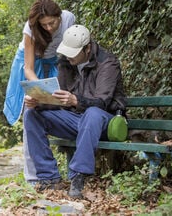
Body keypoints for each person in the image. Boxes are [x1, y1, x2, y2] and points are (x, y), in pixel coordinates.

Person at [23, 25, 126, 198]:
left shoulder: (108, 62)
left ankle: (78, 176)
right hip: (76, 119)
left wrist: (75, 100)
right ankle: (49, 178)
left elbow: (102, 103)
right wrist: (38, 102)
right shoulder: (66, 62)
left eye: (73, 52)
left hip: (105, 122)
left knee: (92, 113)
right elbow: (59, 99)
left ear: (87, 49)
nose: (68, 56)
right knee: (32, 115)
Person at [3, 0, 75, 182]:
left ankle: (58, 170)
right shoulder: (31, 29)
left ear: (59, 16)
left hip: (53, 62)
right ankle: (33, 177)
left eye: (52, 23)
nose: (49, 28)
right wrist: (40, 89)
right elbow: (28, 68)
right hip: (29, 63)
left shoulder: (69, 19)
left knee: (58, 102)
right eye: (44, 25)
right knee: (31, 109)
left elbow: (70, 53)